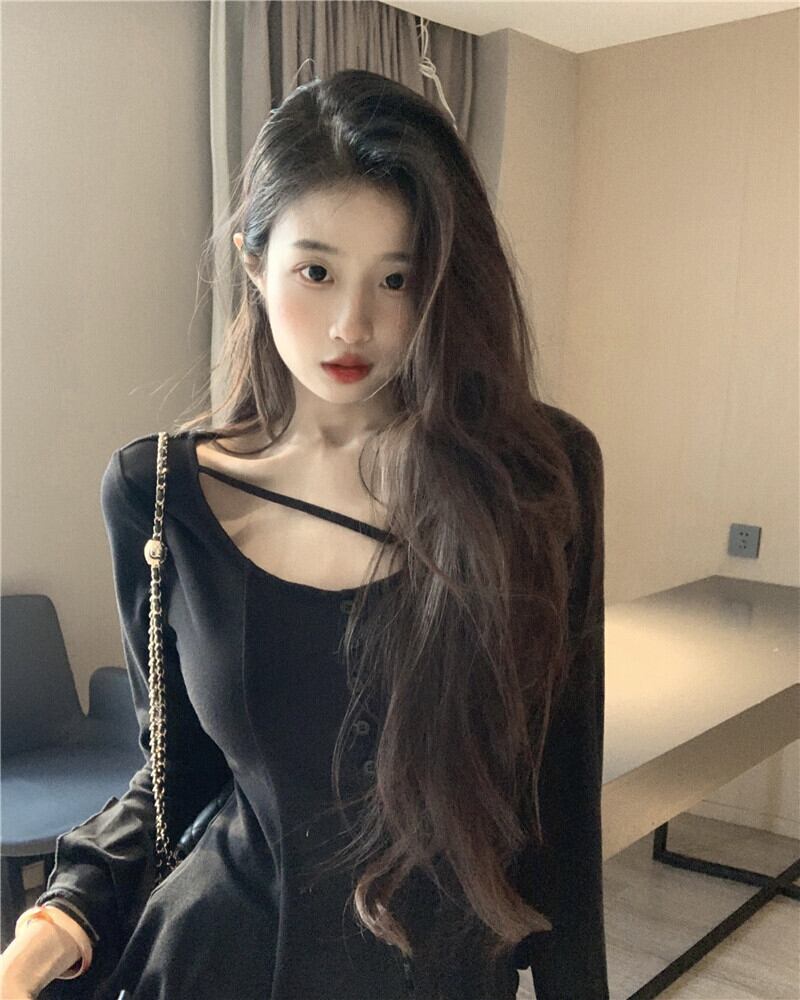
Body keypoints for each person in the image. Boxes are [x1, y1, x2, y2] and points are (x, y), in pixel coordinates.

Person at [0, 68, 609, 999]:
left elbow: (557, 806)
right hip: (214, 964)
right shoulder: (161, 495)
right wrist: (59, 918)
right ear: (255, 262)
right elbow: (176, 777)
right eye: (316, 271)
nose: (351, 324)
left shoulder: (536, 479)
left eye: (398, 278)